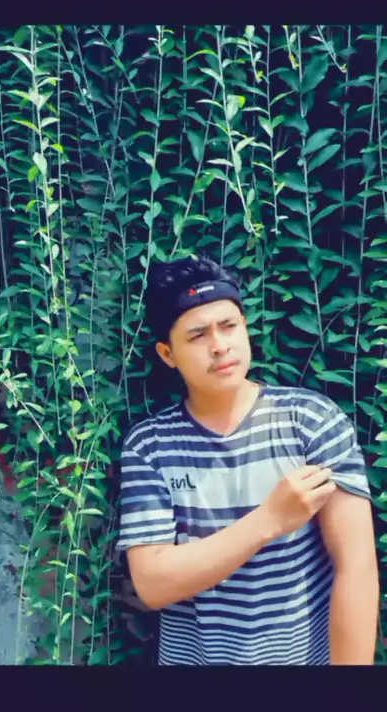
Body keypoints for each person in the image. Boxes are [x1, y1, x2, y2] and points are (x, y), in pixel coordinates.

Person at [117, 255, 379, 665]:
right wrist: (269, 519)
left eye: (229, 326)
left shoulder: (310, 420)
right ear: (168, 354)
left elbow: (356, 568)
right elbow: (153, 585)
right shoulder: (150, 446)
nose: (220, 345)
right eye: (197, 335)